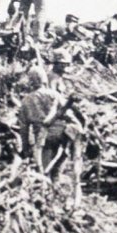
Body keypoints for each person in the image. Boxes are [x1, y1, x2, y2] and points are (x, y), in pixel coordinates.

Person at [18, 67, 84, 203]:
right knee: (57, 169)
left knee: (44, 172)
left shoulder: (25, 101)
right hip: (62, 135)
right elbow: (69, 115)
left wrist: (25, 148)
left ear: (30, 82)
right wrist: (79, 129)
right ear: (44, 80)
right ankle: (61, 197)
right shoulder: (54, 95)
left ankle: (49, 199)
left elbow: (24, 128)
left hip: (43, 140)